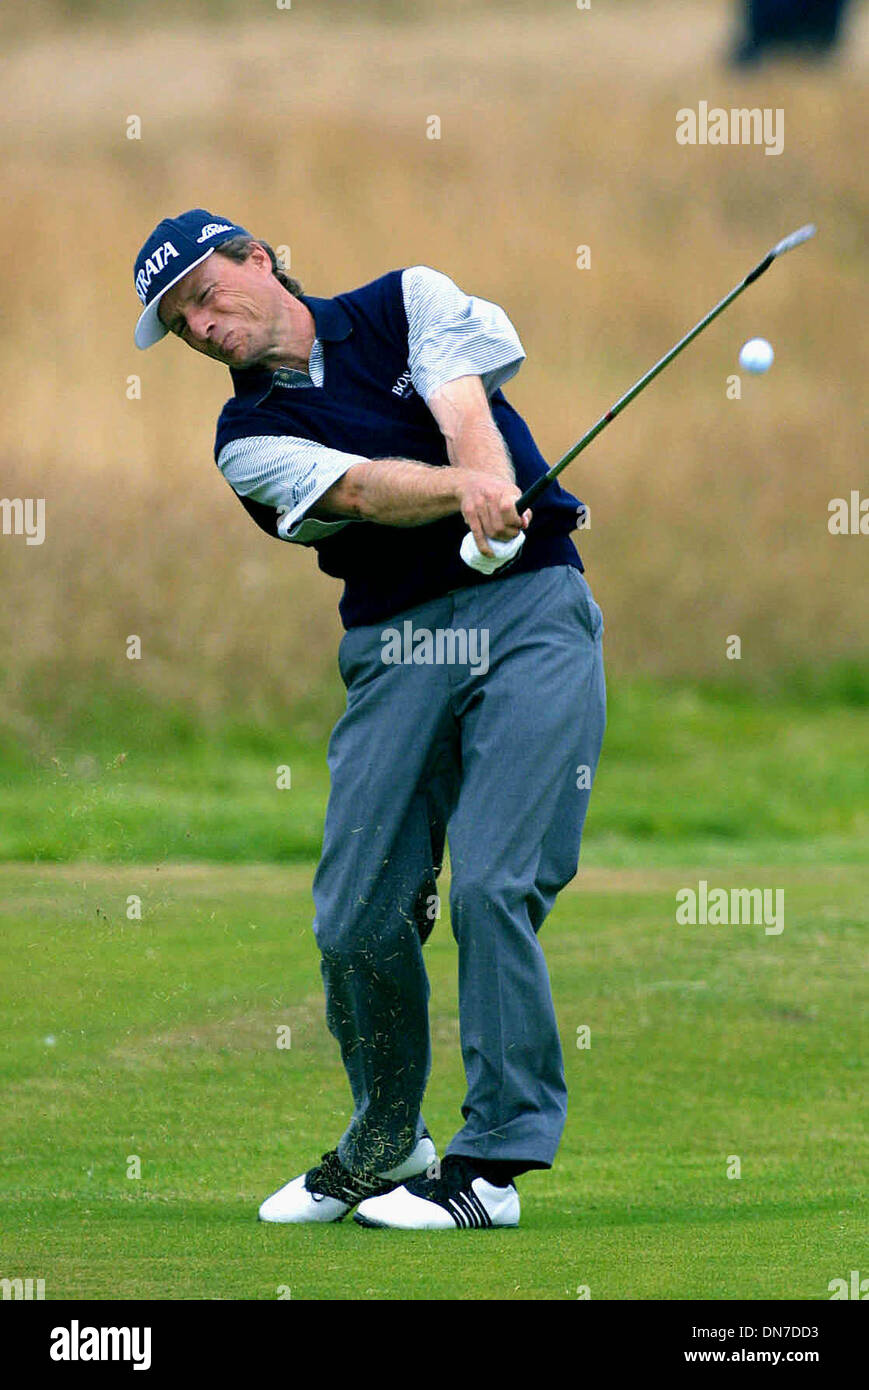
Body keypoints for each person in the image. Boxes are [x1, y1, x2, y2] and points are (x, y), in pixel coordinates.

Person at [132, 209, 606, 1230]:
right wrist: (459, 496)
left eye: (207, 294)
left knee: (488, 884)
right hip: (394, 647)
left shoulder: (406, 299)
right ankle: (387, 1139)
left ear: (258, 259)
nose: (203, 327)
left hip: (529, 612)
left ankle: (489, 1163)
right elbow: (358, 489)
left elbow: (460, 400)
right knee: (355, 915)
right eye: (180, 325)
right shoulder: (244, 439)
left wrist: (486, 484)